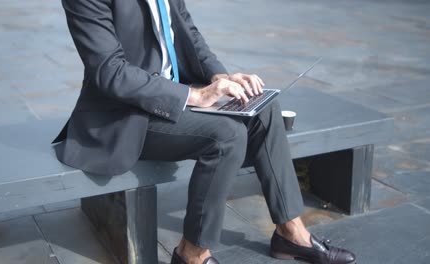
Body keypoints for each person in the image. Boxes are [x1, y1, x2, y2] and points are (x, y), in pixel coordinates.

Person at [52, 0, 356, 263]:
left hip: (175, 93)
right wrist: (196, 96)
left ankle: (292, 234)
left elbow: (188, 34)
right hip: (124, 114)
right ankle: (192, 254)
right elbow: (110, 72)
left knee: (263, 108)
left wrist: (221, 77)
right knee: (226, 136)